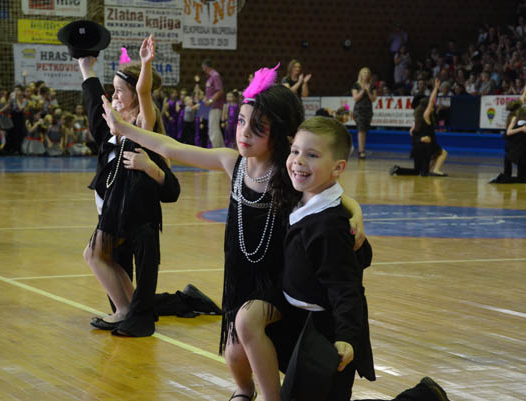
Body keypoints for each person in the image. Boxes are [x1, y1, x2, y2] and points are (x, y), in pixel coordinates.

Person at [102, 64, 366, 401]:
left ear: (279, 132)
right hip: (241, 277)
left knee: (248, 321)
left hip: (276, 279)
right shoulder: (232, 162)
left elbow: (332, 195)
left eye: (257, 128)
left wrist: (356, 212)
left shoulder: (287, 173)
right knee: (233, 352)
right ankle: (244, 391)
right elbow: (169, 147)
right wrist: (123, 128)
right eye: (241, 122)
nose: (244, 133)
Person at [281, 116, 450, 401]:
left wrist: (346, 337)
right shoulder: (300, 200)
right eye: (295, 151)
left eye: (312, 155)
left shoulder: (330, 226)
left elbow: (346, 288)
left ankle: (422, 398)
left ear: (338, 168)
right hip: (301, 324)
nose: (298, 160)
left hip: (327, 332)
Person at [78, 35, 182, 337]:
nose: (114, 94)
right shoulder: (115, 125)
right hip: (113, 210)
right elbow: (93, 102)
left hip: (133, 213)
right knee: (103, 257)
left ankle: (126, 310)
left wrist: (146, 64)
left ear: (134, 94)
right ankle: (128, 309)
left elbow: (144, 91)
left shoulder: (142, 124)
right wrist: (86, 68)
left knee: (93, 255)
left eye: (120, 90)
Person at [390, 79, 448, 177]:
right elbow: (431, 101)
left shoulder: (416, 120)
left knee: (417, 171)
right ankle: (436, 170)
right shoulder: (426, 116)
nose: (433, 107)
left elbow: (411, 133)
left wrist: (420, 139)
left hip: (417, 148)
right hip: (427, 147)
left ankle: (398, 170)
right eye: (431, 107)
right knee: (443, 153)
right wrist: (436, 88)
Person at [351, 67, 377, 159]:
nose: (366, 74)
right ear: (361, 75)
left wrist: (368, 91)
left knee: (365, 130)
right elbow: (355, 98)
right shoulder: (356, 85)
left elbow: (373, 99)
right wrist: (362, 91)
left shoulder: (372, 86)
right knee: (361, 129)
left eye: (367, 73)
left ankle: (362, 149)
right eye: (364, 73)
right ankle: (361, 151)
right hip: (359, 110)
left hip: (368, 110)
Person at [202, 59, 225, 148]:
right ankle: (221, 148)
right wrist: (205, 99)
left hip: (215, 106)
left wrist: (210, 101)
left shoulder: (215, 75)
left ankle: (216, 149)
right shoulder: (210, 77)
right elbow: (210, 92)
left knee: (213, 129)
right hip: (210, 106)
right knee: (214, 128)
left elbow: (220, 91)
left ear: (205, 66)